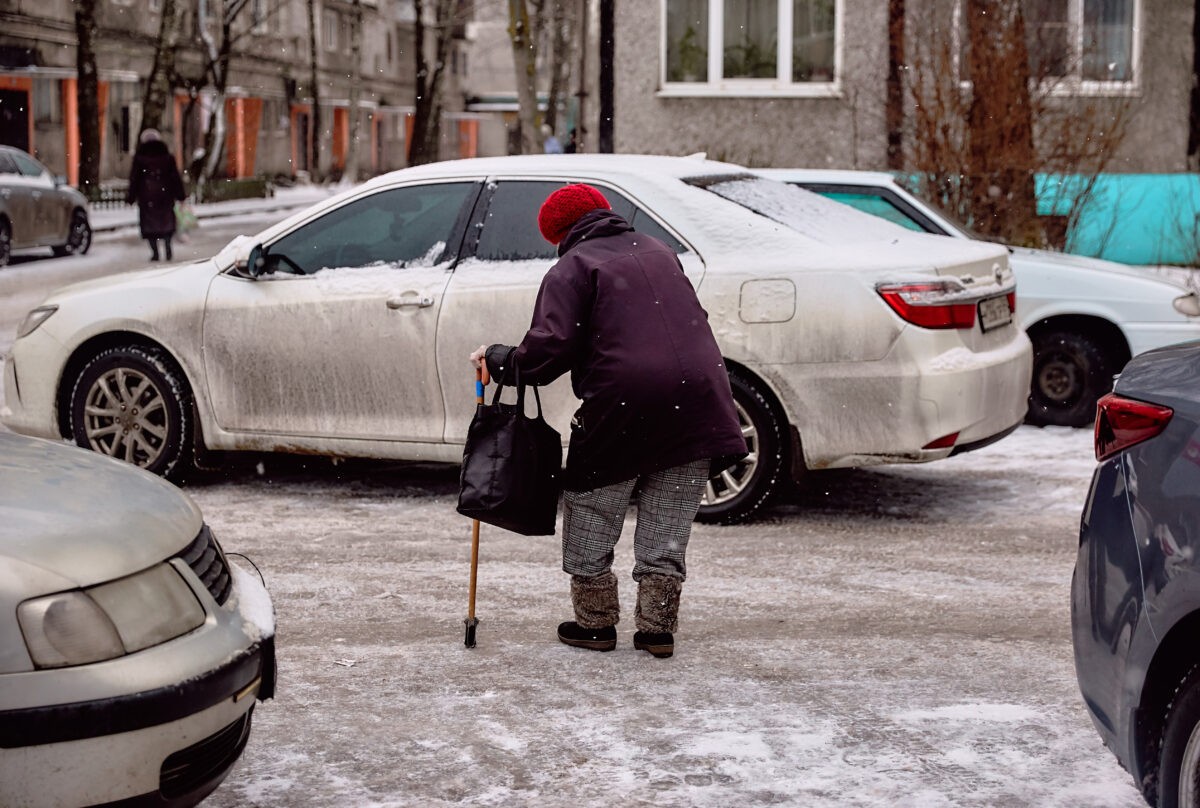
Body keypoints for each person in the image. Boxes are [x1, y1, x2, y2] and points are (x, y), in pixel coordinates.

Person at [469, 184, 746, 659]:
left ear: (558, 233)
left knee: (592, 504)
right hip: (699, 401)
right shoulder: (659, 250)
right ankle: (657, 630)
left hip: (623, 404)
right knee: (668, 515)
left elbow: (548, 353)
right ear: (604, 212)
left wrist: (499, 359)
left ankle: (595, 624)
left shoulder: (572, 267)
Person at [126, 128, 186, 262]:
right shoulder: (167, 157)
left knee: (149, 226)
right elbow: (175, 178)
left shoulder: (140, 158)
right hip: (165, 196)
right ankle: (168, 247)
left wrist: (131, 197)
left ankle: (155, 252)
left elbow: (134, 179)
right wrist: (180, 195)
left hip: (147, 196)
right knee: (167, 223)